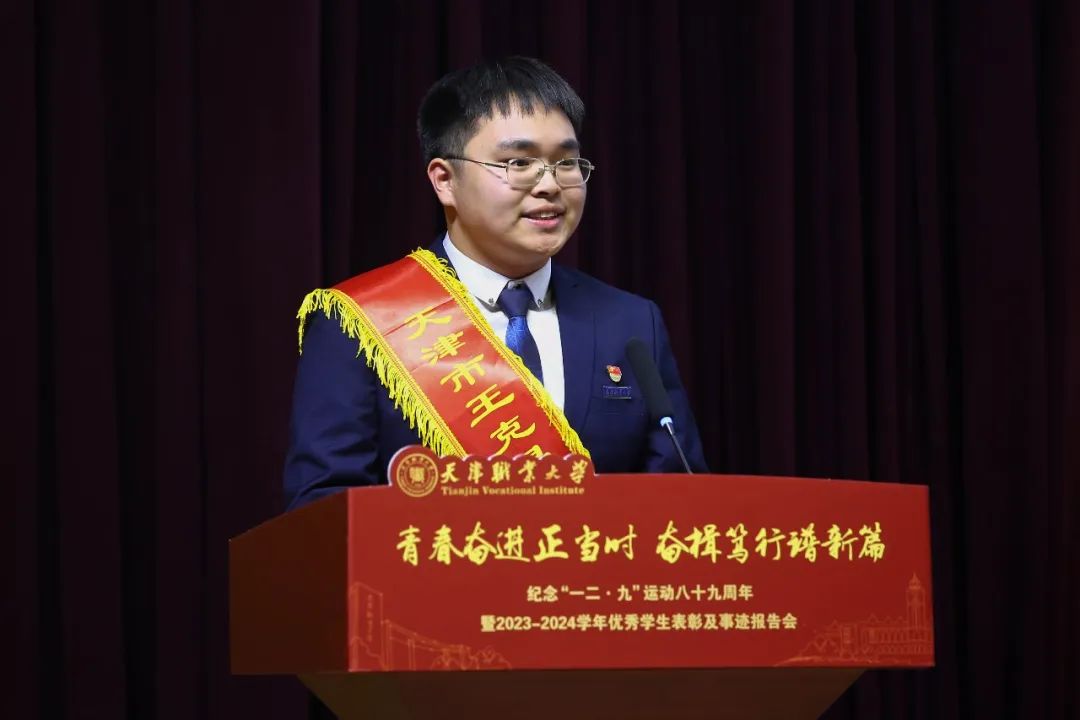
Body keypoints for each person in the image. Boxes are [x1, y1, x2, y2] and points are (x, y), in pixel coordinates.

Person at [284, 56, 706, 510]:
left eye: (566, 162)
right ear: (445, 181)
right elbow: (324, 509)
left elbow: (681, 503)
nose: (550, 185)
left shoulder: (631, 322)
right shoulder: (363, 321)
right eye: (519, 162)